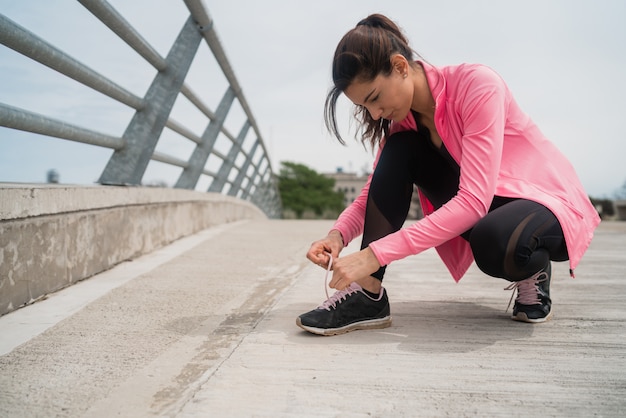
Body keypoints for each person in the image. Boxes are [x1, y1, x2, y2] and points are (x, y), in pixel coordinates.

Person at [296, 13, 600, 336]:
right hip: (487, 207)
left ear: (400, 67)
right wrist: (337, 235)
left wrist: (374, 254)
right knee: (399, 150)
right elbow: (373, 192)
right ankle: (367, 294)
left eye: (374, 98)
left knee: (494, 242)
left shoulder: (477, 85)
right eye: (364, 107)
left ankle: (534, 271)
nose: (374, 114)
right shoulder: (405, 125)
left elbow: (473, 203)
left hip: (544, 202)